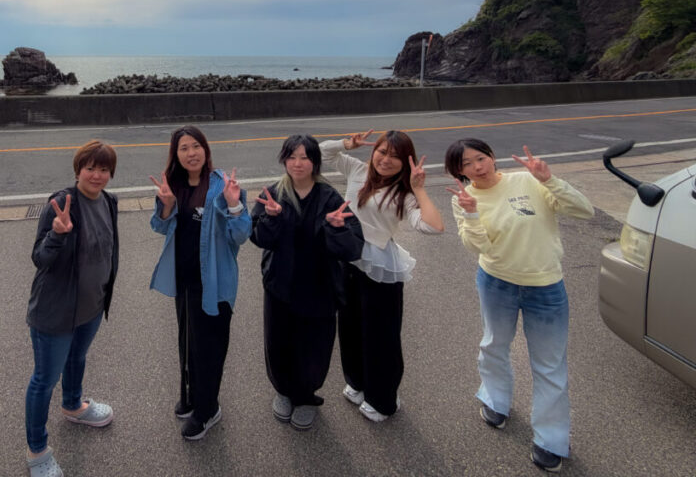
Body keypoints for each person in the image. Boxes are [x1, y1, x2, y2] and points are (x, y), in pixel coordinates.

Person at [445, 139, 594, 474]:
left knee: (549, 364)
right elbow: (477, 246)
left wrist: (549, 179)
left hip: (546, 286)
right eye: (466, 164)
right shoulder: (465, 199)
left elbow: (584, 210)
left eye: (481, 158)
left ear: (492, 157)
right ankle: (495, 400)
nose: (477, 167)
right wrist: (470, 212)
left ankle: (551, 439)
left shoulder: (529, 181)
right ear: (458, 171)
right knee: (494, 344)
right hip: (496, 282)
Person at [319, 129, 444, 423]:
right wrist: (346, 143)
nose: (386, 160)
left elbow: (433, 226)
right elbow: (322, 152)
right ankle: (357, 382)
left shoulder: (404, 193)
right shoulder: (357, 169)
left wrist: (420, 189)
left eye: (395, 156)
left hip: (379, 269)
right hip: (348, 259)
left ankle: (383, 399)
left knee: (381, 336)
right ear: (374, 151)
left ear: (406, 161)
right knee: (349, 327)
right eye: (382, 151)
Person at [249, 134, 364, 431]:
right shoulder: (273, 193)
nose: (297, 163)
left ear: (315, 162)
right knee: (278, 341)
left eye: (305, 157)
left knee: (314, 346)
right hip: (280, 285)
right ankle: (283, 390)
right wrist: (271, 219)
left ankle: (305, 396)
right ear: (284, 159)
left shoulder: (330, 197)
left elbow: (353, 247)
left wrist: (337, 228)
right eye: (291, 156)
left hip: (320, 287)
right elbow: (258, 238)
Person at [149, 126, 252, 440]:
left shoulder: (223, 186)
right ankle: (192, 395)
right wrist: (167, 204)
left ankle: (208, 409)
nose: (191, 153)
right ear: (176, 154)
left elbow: (241, 235)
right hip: (184, 279)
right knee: (188, 341)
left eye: (196, 146)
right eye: (183, 148)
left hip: (214, 282)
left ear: (206, 150)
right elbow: (159, 226)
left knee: (209, 348)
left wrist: (234, 205)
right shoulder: (174, 185)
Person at [25, 140, 119, 477]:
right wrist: (57, 235)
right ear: (78, 170)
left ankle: (73, 405)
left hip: (91, 305)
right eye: (90, 168)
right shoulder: (62, 203)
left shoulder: (109, 201)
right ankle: (37, 451)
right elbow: (40, 258)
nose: (96, 175)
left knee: (77, 358)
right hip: (56, 311)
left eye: (104, 169)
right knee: (44, 380)